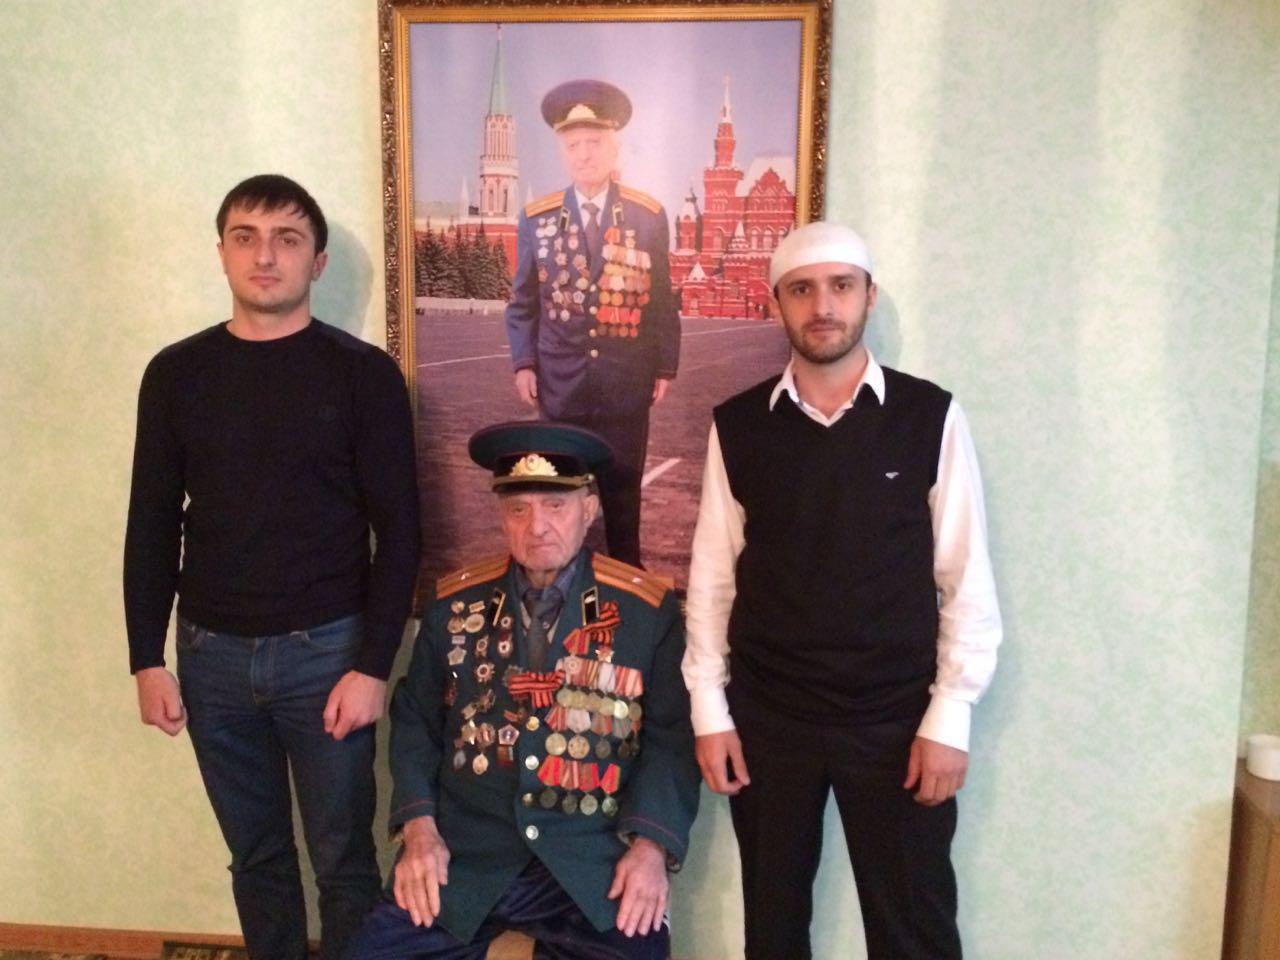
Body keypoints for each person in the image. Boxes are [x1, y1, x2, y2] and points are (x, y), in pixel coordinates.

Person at [683, 222, 1002, 959]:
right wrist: (709, 711)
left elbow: (965, 576)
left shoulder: (930, 417)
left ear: (869, 296)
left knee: (914, 932)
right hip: (769, 718)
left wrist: (951, 714)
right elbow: (712, 579)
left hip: (898, 719)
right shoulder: (738, 426)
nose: (822, 306)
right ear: (777, 304)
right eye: (802, 290)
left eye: (840, 286)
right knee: (773, 931)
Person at [124, 174, 422, 960]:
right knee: (256, 857)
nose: (265, 256)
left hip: (328, 654)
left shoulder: (363, 376)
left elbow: (400, 533)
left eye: (287, 239)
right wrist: (146, 658)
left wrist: (372, 666)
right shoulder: (176, 374)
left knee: (343, 858)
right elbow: (151, 524)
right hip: (210, 659)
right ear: (222, 252)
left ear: (316, 262)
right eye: (246, 237)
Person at [345, 421, 699, 960]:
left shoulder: (643, 612)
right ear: (501, 516)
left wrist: (651, 848)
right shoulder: (454, 604)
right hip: (467, 855)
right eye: (518, 509)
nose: (537, 527)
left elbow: (671, 739)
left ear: (589, 509)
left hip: (590, 862)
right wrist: (418, 831)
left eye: (555, 506)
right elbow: (416, 721)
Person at [505, 79, 681, 568]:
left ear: (614, 146)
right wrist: (524, 363)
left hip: (626, 381)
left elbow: (662, 300)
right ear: (562, 152)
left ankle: (627, 579)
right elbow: (523, 303)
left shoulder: (646, 216)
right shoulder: (537, 219)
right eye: (573, 145)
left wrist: (664, 366)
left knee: (622, 490)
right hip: (559, 384)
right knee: (559, 491)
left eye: (594, 143)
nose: (584, 154)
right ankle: (562, 581)